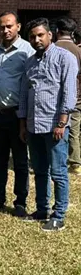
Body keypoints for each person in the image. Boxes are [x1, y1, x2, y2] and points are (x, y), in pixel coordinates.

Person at [19, 18, 78, 231]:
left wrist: (62, 123)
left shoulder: (65, 58)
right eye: (32, 36)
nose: (36, 39)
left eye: (40, 35)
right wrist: (23, 124)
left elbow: (69, 92)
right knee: (40, 170)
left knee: (58, 172)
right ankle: (41, 209)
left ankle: (59, 215)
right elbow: (24, 95)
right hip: (34, 126)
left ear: (50, 35)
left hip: (55, 126)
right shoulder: (30, 62)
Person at [0, 11, 34, 217]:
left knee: (20, 161)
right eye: (2, 27)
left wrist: (25, 117)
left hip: (18, 115)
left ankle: (20, 202)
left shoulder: (28, 51)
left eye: (9, 26)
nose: (5, 30)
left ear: (18, 27)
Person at [53, 17, 81, 175]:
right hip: (76, 97)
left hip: (54, 98)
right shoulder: (78, 50)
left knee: (54, 129)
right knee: (74, 131)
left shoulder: (52, 48)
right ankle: (75, 163)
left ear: (57, 31)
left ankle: (56, 159)